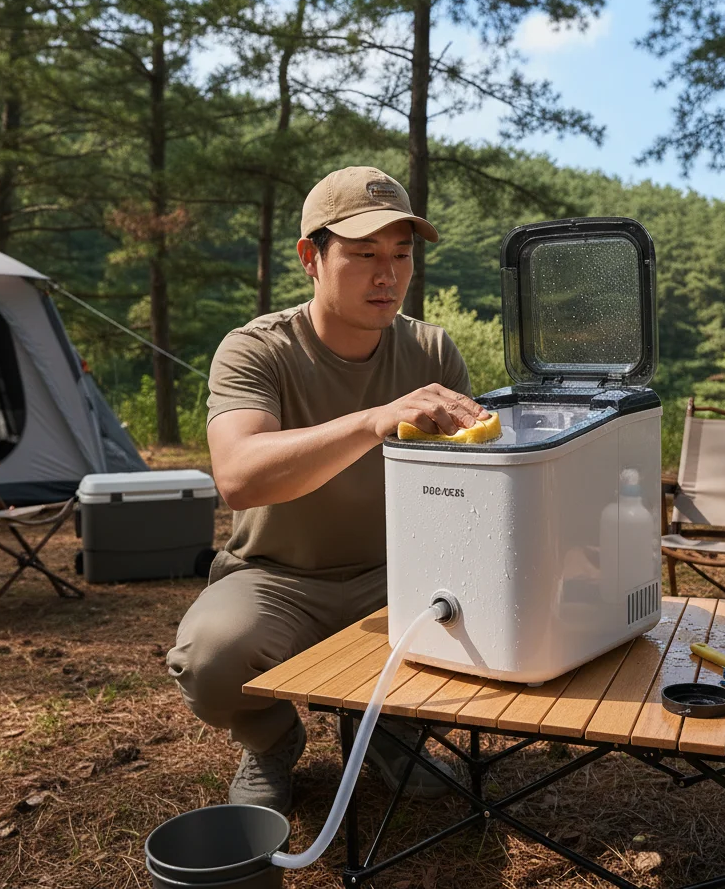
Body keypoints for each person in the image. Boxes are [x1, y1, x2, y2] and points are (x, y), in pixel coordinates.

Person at [167, 166, 490, 811]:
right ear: (310, 258)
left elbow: (468, 486)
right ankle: (270, 740)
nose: (388, 275)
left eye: (401, 255)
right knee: (210, 658)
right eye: (364, 254)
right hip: (279, 577)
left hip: (397, 574)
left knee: (499, 617)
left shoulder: (430, 348)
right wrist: (373, 421)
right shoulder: (257, 350)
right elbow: (239, 477)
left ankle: (391, 730)